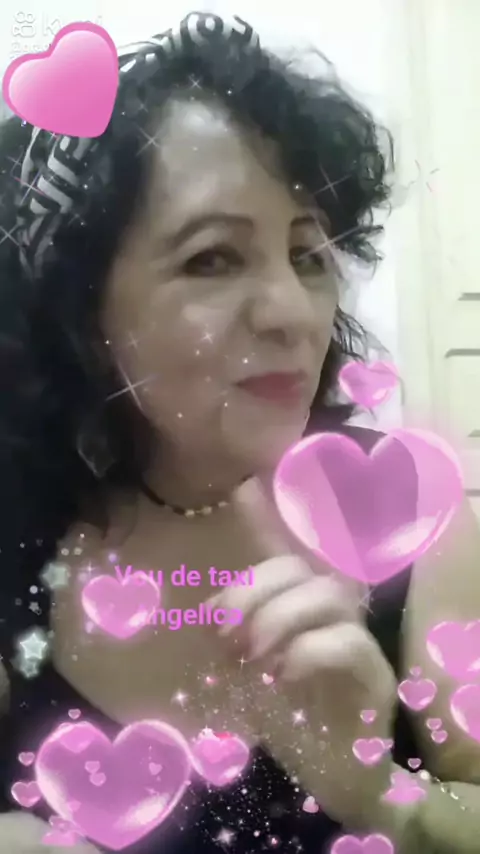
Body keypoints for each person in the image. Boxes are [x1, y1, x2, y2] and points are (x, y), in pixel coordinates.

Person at [0, 10, 479, 854]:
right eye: (212, 258)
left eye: (308, 255)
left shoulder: (410, 518)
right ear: (80, 314)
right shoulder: (19, 542)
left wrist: (383, 796)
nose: (293, 314)